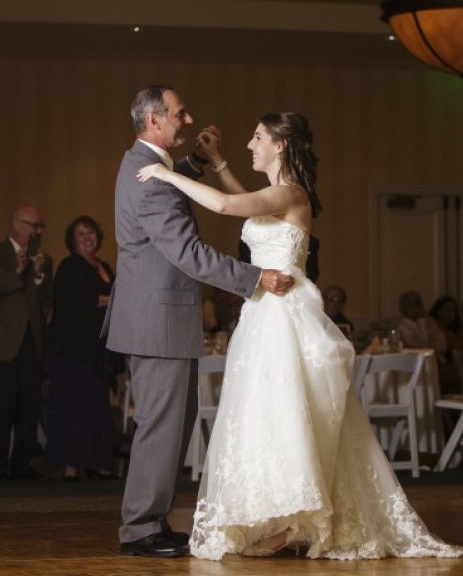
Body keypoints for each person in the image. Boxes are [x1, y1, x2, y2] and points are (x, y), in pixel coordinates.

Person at [138, 110, 463, 560]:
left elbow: (226, 206)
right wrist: (217, 165)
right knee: (268, 415)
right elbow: (251, 202)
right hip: (263, 315)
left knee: (288, 411)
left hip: (284, 316)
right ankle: (283, 519)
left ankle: (299, 520)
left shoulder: (292, 193)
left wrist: (167, 175)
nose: (250, 145)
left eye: (257, 138)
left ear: (281, 145)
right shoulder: (280, 194)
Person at [105, 85, 292, 559]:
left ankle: (151, 520)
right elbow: (187, 252)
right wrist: (254, 277)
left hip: (156, 318)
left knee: (172, 424)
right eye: (179, 115)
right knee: (161, 426)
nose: (187, 121)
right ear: (153, 121)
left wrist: (196, 163)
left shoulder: (146, 167)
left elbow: (171, 190)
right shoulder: (149, 181)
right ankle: (140, 528)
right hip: (157, 320)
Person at [0, 205, 54, 482]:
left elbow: (47, 297)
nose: (38, 232)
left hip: (32, 341)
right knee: (5, 404)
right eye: (34, 225)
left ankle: (22, 464)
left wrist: (37, 273)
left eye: (40, 227)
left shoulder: (44, 259)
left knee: (29, 406)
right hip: (1, 342)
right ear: (16, 224)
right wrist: (17, 271)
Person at [46, 215, 119, 482]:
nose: (87, 237)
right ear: (72, 241)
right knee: (72, 407)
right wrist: (114, 299)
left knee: (96, 406)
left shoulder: (104, 266)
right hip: (71, 349)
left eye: (91, 232)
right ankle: (70, 467)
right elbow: (83, 299)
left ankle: (99, 463)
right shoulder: (69, 266)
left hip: (97, 348)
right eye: (81, 234)